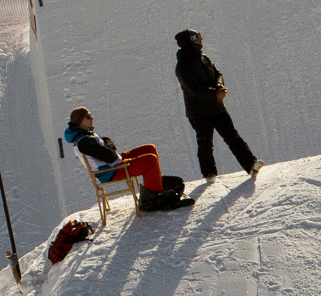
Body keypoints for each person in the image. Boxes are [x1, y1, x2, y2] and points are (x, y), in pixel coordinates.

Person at [175, 29, 261, 180]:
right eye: (195, 38)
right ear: (188, 42)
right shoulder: (182, 66)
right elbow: (193, 89)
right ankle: (209, 175)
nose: (200, 40)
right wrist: (215, 93)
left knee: (232, 137)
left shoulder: (204, 59)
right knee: (205, 145)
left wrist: (219, 85)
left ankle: (251, 164)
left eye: (199, 37)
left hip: (217, 107)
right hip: (199, 113)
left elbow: (218, 74)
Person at [64, 108, 163, 187]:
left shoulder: (86, 136)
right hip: (111, 171)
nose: (92, 119)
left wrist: (109, 146)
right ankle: (154, 196)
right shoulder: (84, 142)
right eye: (88, 116)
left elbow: (106, 140)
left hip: (113, 164)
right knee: (150, 160)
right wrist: (110, 147)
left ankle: (156, 185)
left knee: (150, 148)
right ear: (80, 120)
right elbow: (110, 156)